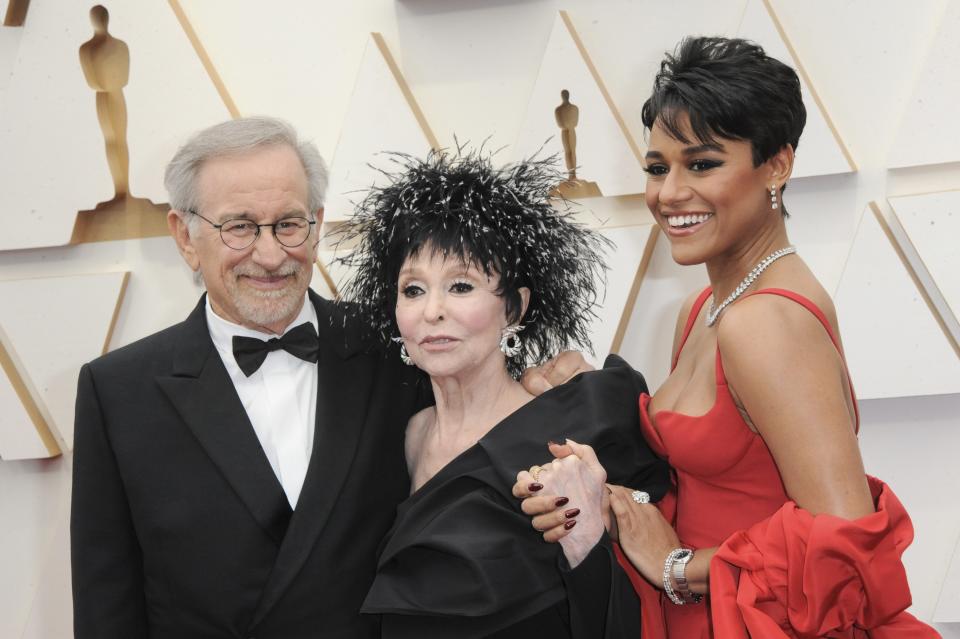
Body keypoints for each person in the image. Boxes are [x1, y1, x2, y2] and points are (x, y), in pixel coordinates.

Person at [69, 116, 585, 639]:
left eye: (289, 224)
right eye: (240, 226)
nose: (270, 255)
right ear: (185, 235)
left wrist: (557, 391)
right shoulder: (118, 393)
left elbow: (487, 414)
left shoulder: (398, 346)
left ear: (317, 225)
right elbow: (106, 607)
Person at [515, 37, 939, 638]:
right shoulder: (703, 309)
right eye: (658, 167)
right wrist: (610, 495)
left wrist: (676, 567)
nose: (669, 193)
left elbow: (845, 543)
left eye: (703, 164)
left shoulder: (764, 322)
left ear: (778, 165)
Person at [335, 149, 670, 637]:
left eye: (461, 286)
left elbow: (623, 606)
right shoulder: (403, 436)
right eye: (412, 290)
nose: (432, 312)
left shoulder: (572, 433)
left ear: (514, 307)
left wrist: (588, 535)